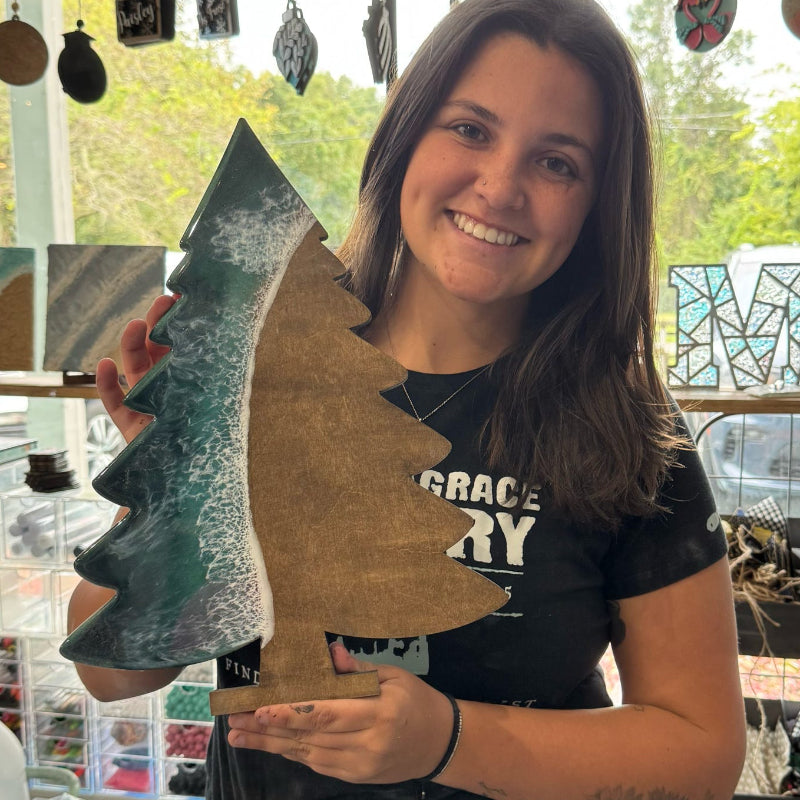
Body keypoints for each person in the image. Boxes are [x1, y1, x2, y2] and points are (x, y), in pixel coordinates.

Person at [67, 0, 746, 798]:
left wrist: (450, 742)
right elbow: (110, 677)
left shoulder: (627, 431)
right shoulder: (266, 370)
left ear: (598, 203)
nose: (499, 186)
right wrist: (178, 481)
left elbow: (702, 754)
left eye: (557, 162)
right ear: (405, 137)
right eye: (469, 129)